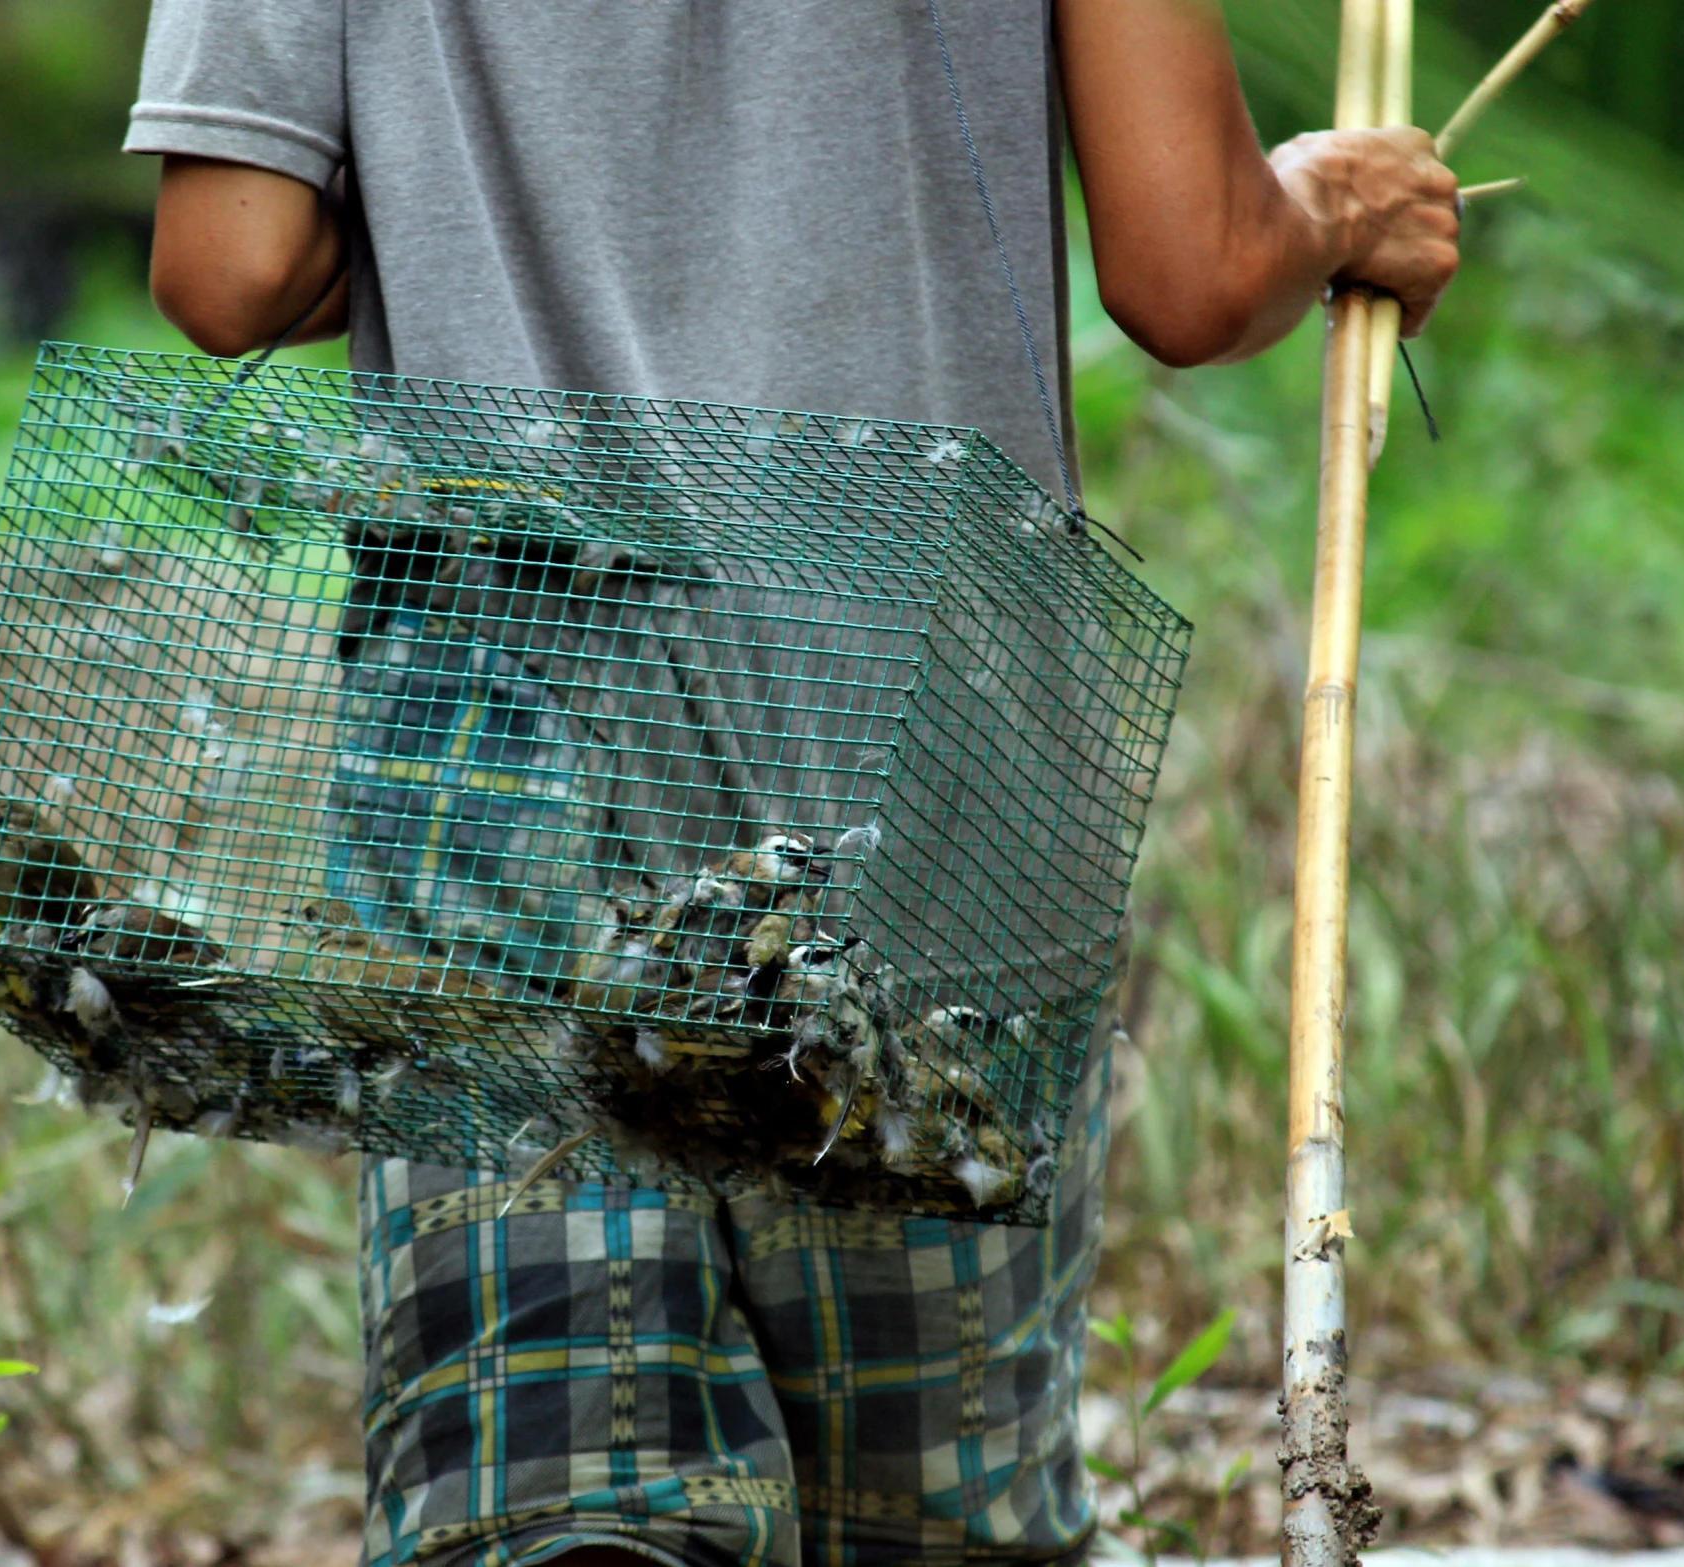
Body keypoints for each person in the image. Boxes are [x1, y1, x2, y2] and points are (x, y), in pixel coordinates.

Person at [124, 6, 1457, 1567]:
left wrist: (479, 210)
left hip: (500, 771)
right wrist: (1335, 201)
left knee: (561, 1520)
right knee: (923, 1523)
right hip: (921, 733)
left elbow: (229, 266)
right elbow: (1193, 268)